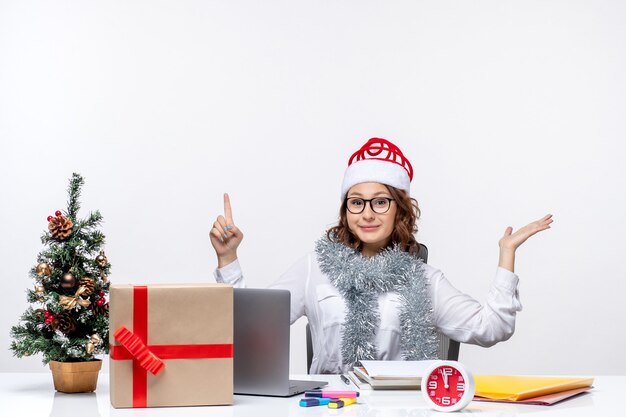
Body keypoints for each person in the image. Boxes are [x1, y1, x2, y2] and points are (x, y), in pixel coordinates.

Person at [210, 138, 553, 374]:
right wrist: (229, 259)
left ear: (399, 211)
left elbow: (491, 329)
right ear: (346, 211)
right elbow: (248, 326)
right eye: (356, 202)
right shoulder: (315, 268)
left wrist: (506, 255)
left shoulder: (425, 280)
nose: (368, 213)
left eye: (381, 201)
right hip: (330, 406)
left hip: (402, 408)